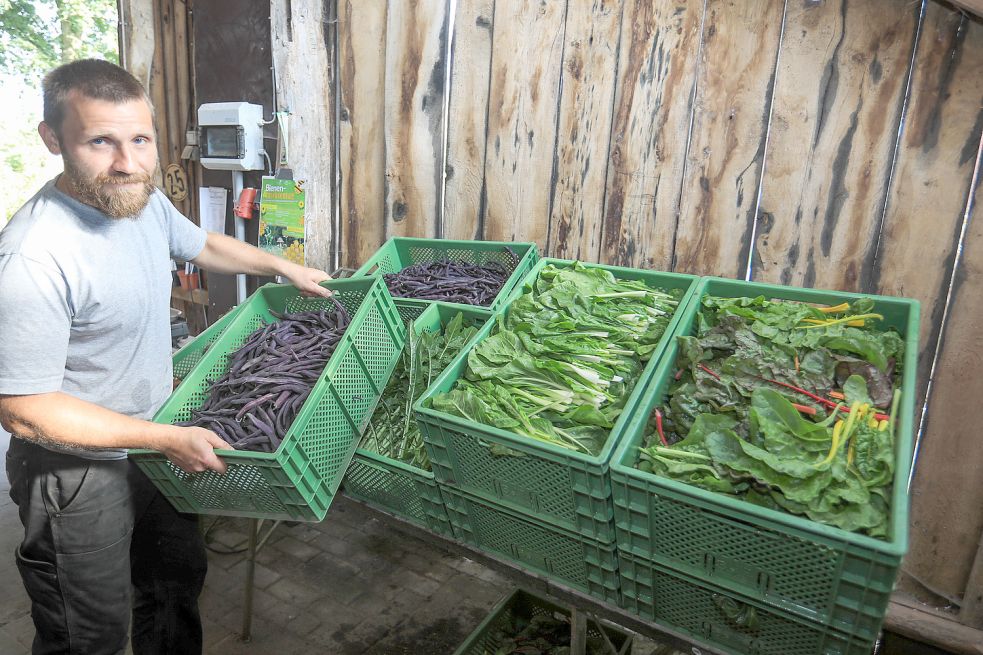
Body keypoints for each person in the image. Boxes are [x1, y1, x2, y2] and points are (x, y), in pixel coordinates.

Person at [0, 59, 331, 654]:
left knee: (175, 588)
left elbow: (203, 244)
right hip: (77, 473)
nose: (127, 162)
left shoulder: (141, 203)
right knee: (88, 632)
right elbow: (24, 410)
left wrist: (282, 266)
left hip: (160, 436)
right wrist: (161, 439)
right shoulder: (34, 257)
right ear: (53, 139)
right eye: (100, 141)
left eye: (140, 140)